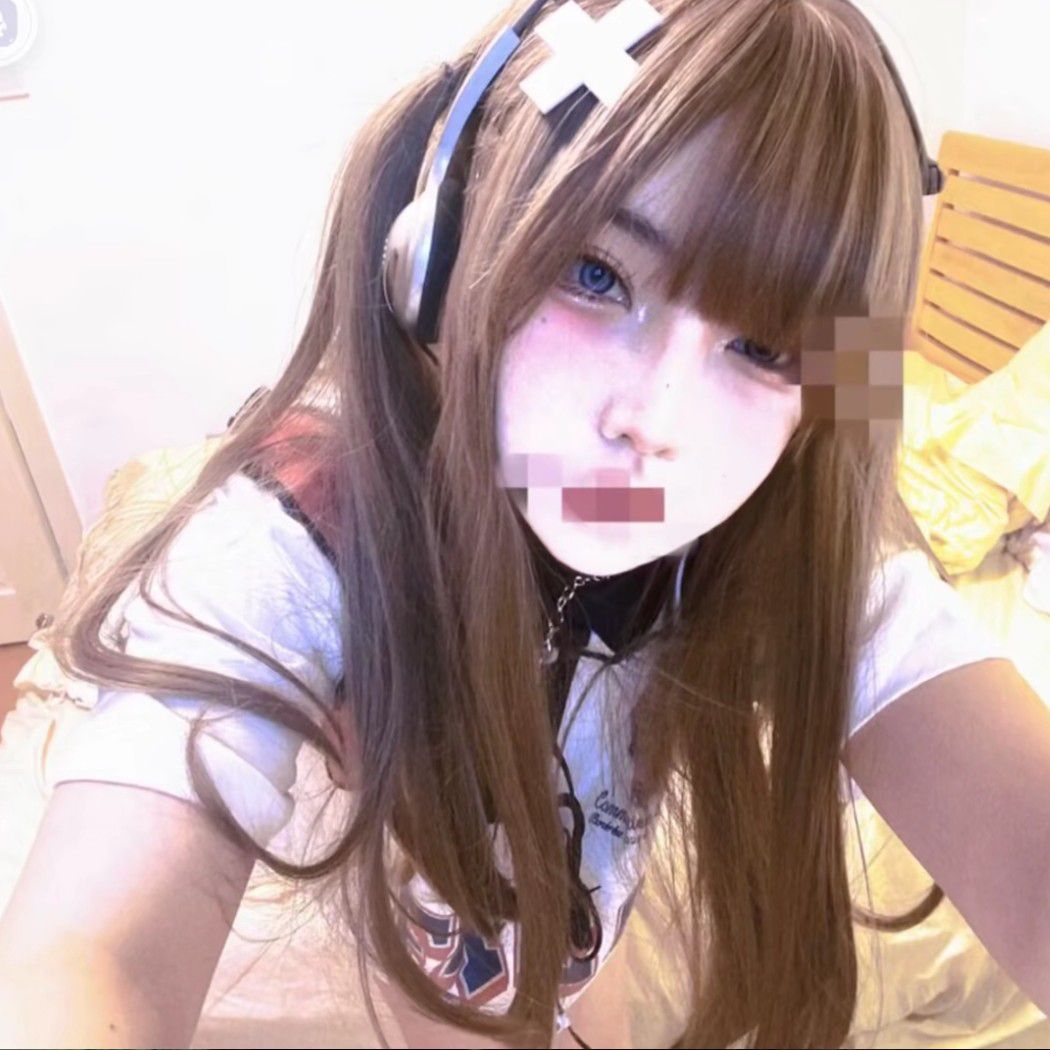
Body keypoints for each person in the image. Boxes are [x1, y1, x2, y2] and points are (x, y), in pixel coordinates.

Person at [1, 1, 1048, 1047]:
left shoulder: (787, 544)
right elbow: (94, 957)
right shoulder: (306, 528)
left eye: (766, 350)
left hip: (573, 937)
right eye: (596, 274)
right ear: (437, 258)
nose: (654, 422)